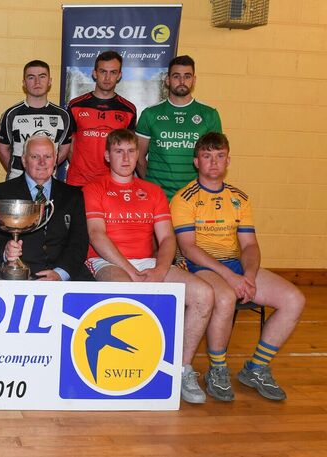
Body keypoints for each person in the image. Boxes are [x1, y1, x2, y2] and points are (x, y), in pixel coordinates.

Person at [83, 129, 213, 404]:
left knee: (204, 295)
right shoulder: (94, 189)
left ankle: (182, 368)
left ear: (139, 153)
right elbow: (97, 235)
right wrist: (130, 271)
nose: (126, 157)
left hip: (148, 262)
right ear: (107, 156)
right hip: (106, 260)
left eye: (131, 150)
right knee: (128, 289)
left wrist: (159, 270)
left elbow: (167, 238)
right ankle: (130, 370)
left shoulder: (152, 191)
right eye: (119, 151)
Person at [171, 132, 304, 402]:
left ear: (228, 160)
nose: (214, 163)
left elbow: (250, 246)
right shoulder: (184, 198)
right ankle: (217, 370)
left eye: (220, 156)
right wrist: (232, 278)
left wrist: (250, 276)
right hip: (201, 265)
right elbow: (189, 249)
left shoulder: (239, 198)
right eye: (207, 157)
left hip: (235, 265)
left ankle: (255, 369)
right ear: (197, 162)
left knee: (294, 299)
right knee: (225, 295)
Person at [0, 135, 91, 281]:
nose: (42, 162)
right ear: (24, 160)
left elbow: (79, 242)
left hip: (66, 277)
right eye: (35, 156)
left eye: (48, 156)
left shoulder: (73, 196)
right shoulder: (0, 193)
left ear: (55, 160)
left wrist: (60, 274)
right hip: (17, 278)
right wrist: (6, 253)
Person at [136, 55, 222, 199]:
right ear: (168, 80)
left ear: (194, 80)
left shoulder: (209, 114)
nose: (182, 81)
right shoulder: (150, 114)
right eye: (176, 76)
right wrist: (152, 186)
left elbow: (216, 160)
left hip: (195, 198)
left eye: (187, 76)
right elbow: (138, 158)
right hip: (158, 198)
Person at [61, 51, 137, 187]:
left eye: (113, 72)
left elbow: (128, 149)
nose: (107, 78)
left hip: (112, 183)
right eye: (103, 71)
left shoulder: (128, 110)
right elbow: (69, 145)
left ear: (119, 75)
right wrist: (82, 170)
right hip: (78, 182)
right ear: (95, 73)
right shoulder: (76, 105)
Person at [0, 60, 71, 180]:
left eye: (42, 76)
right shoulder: (11, 114)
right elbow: (3, 150)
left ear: (50, 81)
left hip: (49, 182)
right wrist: (24, 171)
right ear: (24, 83)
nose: (37, 82)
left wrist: (44, 169)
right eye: (31, 77)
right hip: (17, 180)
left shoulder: (63, 115)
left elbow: (64, 150)